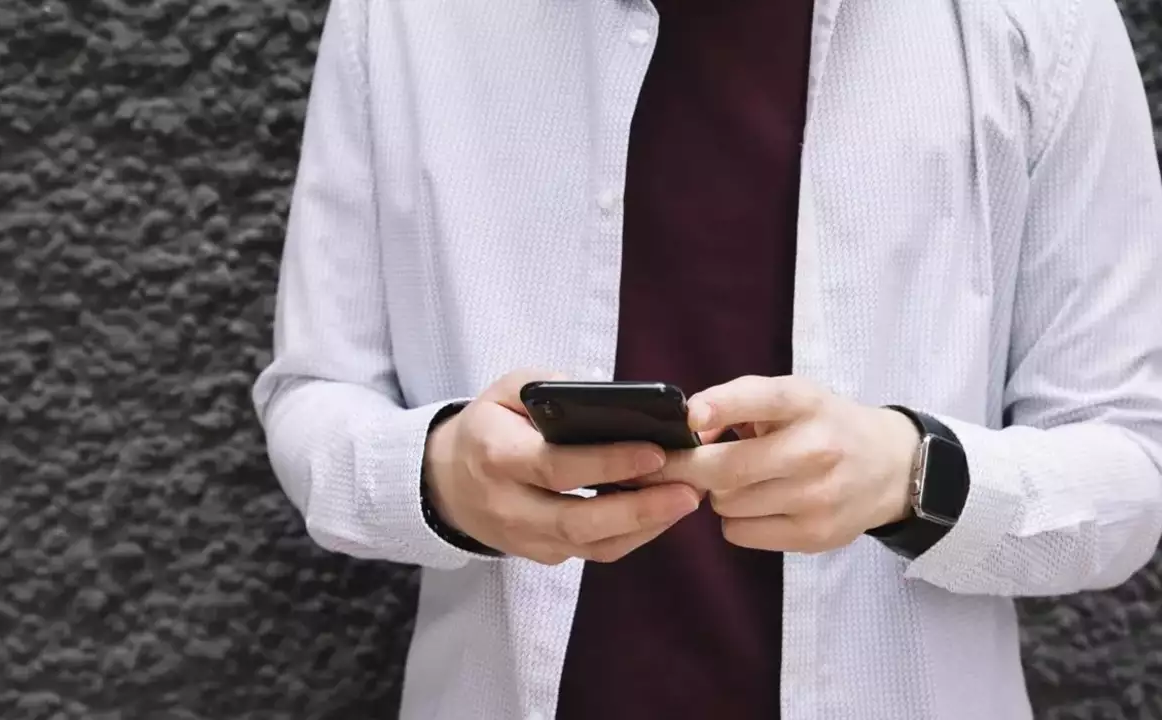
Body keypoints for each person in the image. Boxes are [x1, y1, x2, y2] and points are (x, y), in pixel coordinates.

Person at [252, 0, 1162, 717]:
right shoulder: (402, 16)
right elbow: (316, 392)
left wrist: (911, 476)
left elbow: (1131, 464)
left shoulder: (1043, 20)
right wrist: (439, 475)